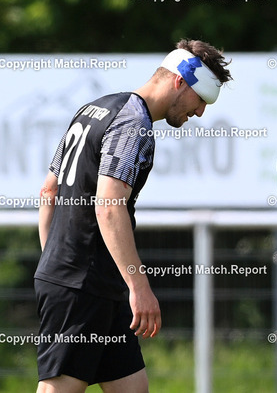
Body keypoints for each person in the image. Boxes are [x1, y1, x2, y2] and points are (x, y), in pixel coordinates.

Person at [34, 39, 232, 393]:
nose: (201, 112)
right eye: (202, 99)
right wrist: (139, 287)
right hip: (83, 284)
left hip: (96, 281)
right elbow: (109, 206)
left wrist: (54, 262)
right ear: (179, 81)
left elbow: (49, 191)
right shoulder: (133, 123)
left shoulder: (95, 108)